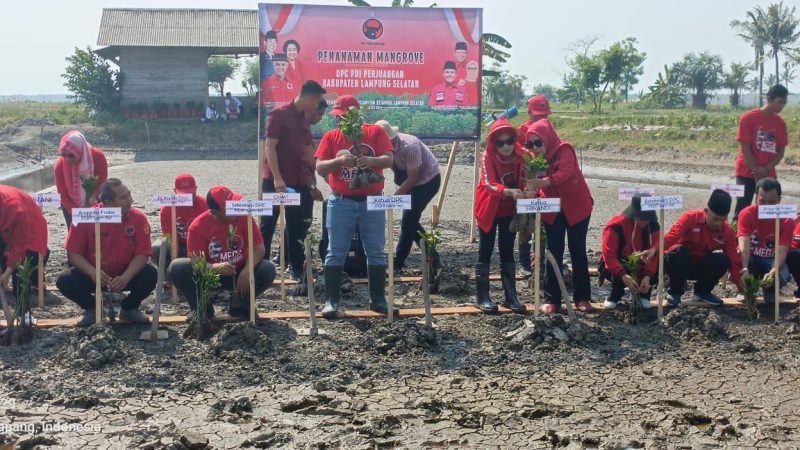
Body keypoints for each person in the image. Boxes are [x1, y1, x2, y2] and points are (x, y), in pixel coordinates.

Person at [315, 95, 396, 318]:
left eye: (344, 117)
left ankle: (378, 299)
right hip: (341, 201)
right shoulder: (331, 137)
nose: (340, 121)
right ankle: (332, 301)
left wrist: (370, 161)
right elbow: (320, 167)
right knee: (335, 251)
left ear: (356, 116)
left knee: (376, 251)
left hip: (373, 200)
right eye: (338, 117)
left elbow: (388, 159)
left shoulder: (375, 132)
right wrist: (340, 162)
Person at [57, 179, 157, 326]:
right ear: (108, 202)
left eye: (129, 195)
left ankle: (129, 308)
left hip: (125, 273)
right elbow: (73, 253)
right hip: (94, 275)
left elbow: (142, 254)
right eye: (124, 198)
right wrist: (92, 272)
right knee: (65, 281)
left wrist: (125, 277)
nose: (130, 200)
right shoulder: (85, 218)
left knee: (150, 274)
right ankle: (93, 309)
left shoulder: (138, 218)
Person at [170, 186, 276, 319]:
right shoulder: (198, 226)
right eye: (229, 206)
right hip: (211, 276)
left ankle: (240, 305)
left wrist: (247, 270)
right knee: (178, 268)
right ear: (214, 211)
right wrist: (214, 268)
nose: (234, 208)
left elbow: (259, 248)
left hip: (240, 273)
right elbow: (195, 260)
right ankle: (202, 307)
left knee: (268, 269)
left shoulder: (244, 216)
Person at [525, 119, 594, 314]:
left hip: (577, 207)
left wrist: (543, 182)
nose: (535, 148)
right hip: (552, 209)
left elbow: (565, 173)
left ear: (547, 138)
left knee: (577, 250)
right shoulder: (533, 161)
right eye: (530, 144)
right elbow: (532, 183)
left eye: (538, 142)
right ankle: (551, 299)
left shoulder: (564, 149)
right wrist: (531, 190)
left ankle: (582, 298)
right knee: (552, 251)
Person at [260, 80, 326, 282]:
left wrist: (317, 176)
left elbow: (306, 152)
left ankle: (296, 268)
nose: (317, 107)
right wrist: (278, 179)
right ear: (310, 98)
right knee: (267, 224)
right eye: (317, 102)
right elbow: (269, 147)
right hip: (275, 180)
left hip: (298, 181)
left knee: (297, 225)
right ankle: (260, 267)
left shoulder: (303, 119)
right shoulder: (278, 114)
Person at [473, 118, 527, 314]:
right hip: (488, 208)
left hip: (509, 210)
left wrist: (530, 188)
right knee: (485, 248)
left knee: (507, 249)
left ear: (515, 140)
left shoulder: (523, 156)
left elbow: (533, 173)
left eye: (509, 141)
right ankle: (482, 297)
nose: (506, 146)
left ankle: (510, 296)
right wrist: (508, 191)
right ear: (493, 143)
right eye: (500, 142)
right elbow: (487, 183)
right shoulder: (487, 156)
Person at [375, 119, 442, 274]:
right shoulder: (380, 147)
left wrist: (392, 200)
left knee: (408, 221)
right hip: (406, 176)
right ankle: (433, 257)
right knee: (411, 222)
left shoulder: (410, 146)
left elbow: (412, 179)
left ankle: (398, 262)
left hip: (427, 181)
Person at [663, 190, 742, 307]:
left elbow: (734, 259)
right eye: (715, 219)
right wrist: (654, 249)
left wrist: (741, 285)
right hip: (677, 264)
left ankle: (702, 292)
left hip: (700, 265)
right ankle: (675, 292)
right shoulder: (690, 218)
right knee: (679, 251)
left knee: (723, 260)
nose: (719, 223)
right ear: (706, 211)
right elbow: (672, 237)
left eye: (723, 219)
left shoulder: (727, 231)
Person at [733, 84, 789, 219]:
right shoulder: (748, 118)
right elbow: (745, 147)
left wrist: (766, 169)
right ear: (769, 99)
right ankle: (736, 237)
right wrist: (756, 171)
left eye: (784, 102)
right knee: (742, 209)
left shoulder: (780, 123)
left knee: (767, 212)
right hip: (746, 173)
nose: (781, 106)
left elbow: (780, 151)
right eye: (779, 102)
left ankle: (766, 238)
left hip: (768, 174)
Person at [737, 178, 793, 304]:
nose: (766, 207)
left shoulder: (786, 220)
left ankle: (769, 290)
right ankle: (744, 289)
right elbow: (744, 245)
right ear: (756, 198)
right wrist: (744, 269)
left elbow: (782, 251)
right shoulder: (747, 214)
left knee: (782, 276)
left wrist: (773, 272)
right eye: (762, 201)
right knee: (737, 265)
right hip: (750, 258)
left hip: (770, 261)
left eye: (771, 202)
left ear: (779, 199)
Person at [515, 95, 554, 277]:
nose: (541, 118)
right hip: (525, 186)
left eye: (544, 115)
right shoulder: (520, 132)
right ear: (529, 112)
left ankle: (540, 261)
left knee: (543, 225)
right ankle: (524, 263)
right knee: (525, 225)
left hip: (544, 185)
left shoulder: (549, 130)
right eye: (537, 115)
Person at [598, 194, 659, 310]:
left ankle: (644, 294)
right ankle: (615, 294)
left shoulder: (653, 226)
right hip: (619, 262)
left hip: (641, 263)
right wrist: (624, 276)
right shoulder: (615, 226)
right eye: (642, 219)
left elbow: (654, 254)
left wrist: (648, 275)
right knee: (618, 264)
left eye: (647, 219)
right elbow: (609, 256)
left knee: (661, 257)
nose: (645, 222)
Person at [151, 173, 209, 269]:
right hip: (180, 245)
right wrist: (174, 261)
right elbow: (170, 238)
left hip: (199, 246)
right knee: (157, 249)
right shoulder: (167, 209)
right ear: (175, 191)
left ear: (196, 189)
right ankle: (169, 274)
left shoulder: (204, 206)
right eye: (183, 194)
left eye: (190, 193)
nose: (187, 197)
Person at [0, 186, 49, 298]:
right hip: (7, 231)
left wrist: (7, 272)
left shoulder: (15, 208)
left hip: (31, 232)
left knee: (21, 276)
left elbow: (20, 245)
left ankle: (24, 313)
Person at [54, 130, 108, 227]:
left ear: (80, 150)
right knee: (75, 235)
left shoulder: (98, 157)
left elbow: (101, 184)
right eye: (63, 155)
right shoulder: (59, 165)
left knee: (97, 234)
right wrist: (76, 213)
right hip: (69, 204)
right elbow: (62, 194)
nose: (67, 159)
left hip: (95, 200)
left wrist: (89, 206)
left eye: (71, 155)